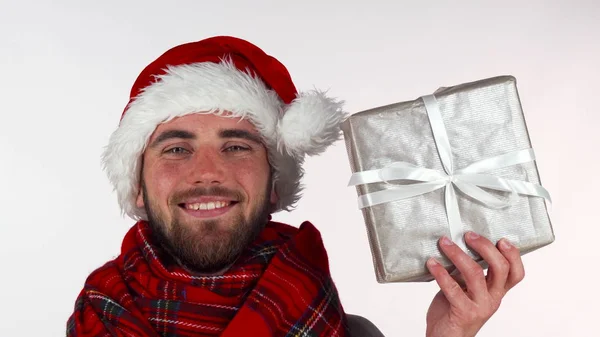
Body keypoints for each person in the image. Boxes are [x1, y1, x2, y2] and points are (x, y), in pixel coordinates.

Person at [67, 36, 526, 337]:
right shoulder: (98, 319)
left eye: (237, 147)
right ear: (139, 186)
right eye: (175, 149)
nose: (206, 172)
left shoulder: (349, 333)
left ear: (273, 184)